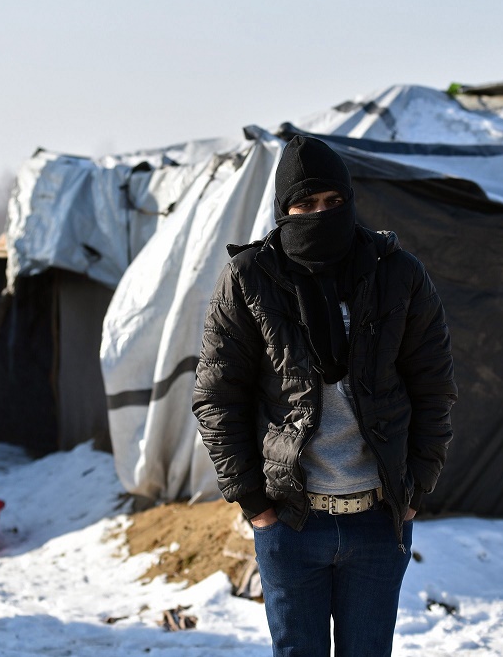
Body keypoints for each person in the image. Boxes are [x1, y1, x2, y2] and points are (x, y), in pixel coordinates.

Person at [192, 135, 457, 656]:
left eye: (333, 202)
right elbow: (216, 398)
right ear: (283, 210)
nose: (321, 214)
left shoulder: (397, 274)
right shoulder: (249, 280)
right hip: (292, 521)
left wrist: (414, 493)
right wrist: (254, 504)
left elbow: (433, 387)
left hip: (378, 522)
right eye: (306, 204)